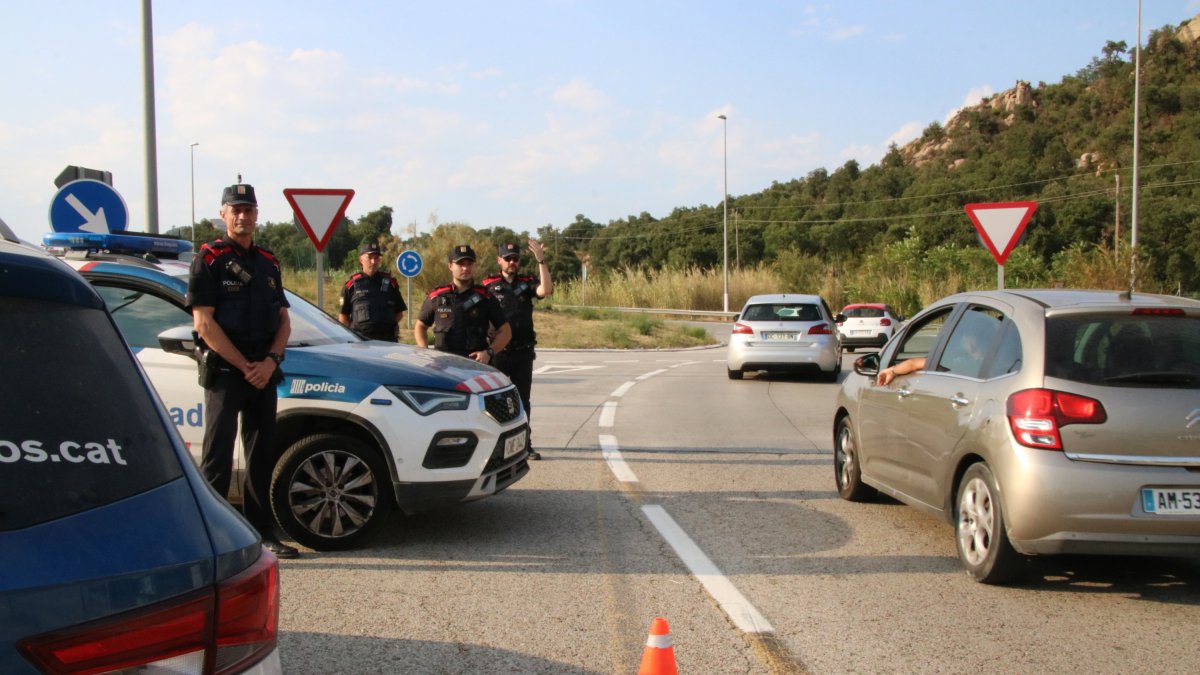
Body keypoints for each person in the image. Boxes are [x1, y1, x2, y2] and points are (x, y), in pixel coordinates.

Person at [185, 180, 298, 559]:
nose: (242, 215)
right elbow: (204, 323)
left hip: (263, 372)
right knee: (217, 459)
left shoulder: (268, 262)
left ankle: (262, 533)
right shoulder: (210, 259)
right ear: (223, 214)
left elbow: (283, 321)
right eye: (235, 209)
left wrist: (269, 363)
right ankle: (212, 541)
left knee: (261, 455)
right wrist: (244, 365)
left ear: (256, 215)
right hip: (226, 373)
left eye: (248, 209)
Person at [482, 239, 553, 460]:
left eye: (516, 259)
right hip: (499, 353)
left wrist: (540, 260)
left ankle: (524, 444)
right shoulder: (488, 285)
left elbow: (546, 289)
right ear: (499, 260)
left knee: (523, 401)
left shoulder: (526, 282)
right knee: (496, 402)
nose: (512, 262)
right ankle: (496, 447)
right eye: (508, 259)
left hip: (523, 352)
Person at [414, 245, 512, 364]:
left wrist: (489, 353)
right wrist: (425, 352)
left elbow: (506, 331)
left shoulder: (485, 297)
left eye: (469, 264)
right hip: (443, 364)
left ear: (474, 266)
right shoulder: (437, 296)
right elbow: (420, 326)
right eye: (461, 264)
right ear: (450, 266)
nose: (465, 268)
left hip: (474, 364)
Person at [338, 241, 406, 341]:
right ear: (361, 260)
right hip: (361, 344)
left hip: (388, 341)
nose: (373, 262)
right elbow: (343, 317)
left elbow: (399, 313)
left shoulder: (391, 283)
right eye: (369, 257)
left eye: (376, 258)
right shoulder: (351, 286)